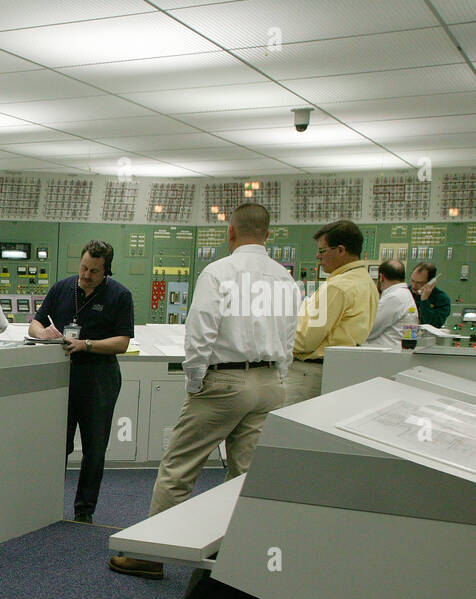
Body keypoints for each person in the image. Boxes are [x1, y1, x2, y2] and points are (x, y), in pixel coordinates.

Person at [110, 204, 298, 579]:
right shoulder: (285, 279)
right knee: (246, 477)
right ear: (267, 234)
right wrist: (277, 376)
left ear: (231, 232)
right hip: (270, 385)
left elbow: (200, 334)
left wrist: (196, 382)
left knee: (178, 469)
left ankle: (151, 554)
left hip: (223, 383)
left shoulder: (218, 273)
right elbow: (290, 335)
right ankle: (237, 559)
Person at [28, 239, 133, 523]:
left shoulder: (120, 295)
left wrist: (87, 344)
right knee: (56, 443)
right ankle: (48, 504)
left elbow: (122, 342)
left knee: (94, 446)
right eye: (84, 268)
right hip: (61, 375)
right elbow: (35, 322)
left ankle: (83, 511)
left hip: (98, 376)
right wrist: (42, 334)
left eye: (94, 272)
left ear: (106, 271)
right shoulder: (63, 288)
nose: (86, 276)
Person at [283, 219, 376, 405]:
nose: (318, 256)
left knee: (287, 430)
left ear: (341, 250)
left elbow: (306, 340)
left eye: (322, 251)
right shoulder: (366, 282)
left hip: (308, 376)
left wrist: (275, 341)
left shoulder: (338, 287)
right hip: (337, 370)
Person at [366, 260, 416, 348]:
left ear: (381, 277)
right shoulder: (404, 294)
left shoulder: (394, 298)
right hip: (393, 352)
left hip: (384, 353)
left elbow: (370, 330)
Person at [410, 262, 451, 330]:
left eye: (419, 283)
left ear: (431, 282)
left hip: (426, 338)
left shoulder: (441, 299)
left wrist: (424, 300)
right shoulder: (406, 293)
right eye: (412, 281)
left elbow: (434, 325)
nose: (414, 286)